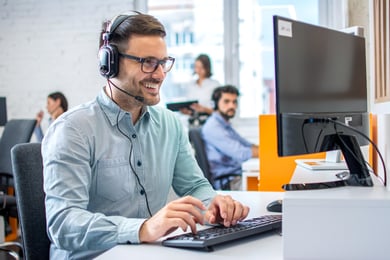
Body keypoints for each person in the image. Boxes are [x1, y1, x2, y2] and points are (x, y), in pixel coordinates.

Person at [42, 11, 249, 259]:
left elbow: (195, 186)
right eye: (148, 62)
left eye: (163, 62)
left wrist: (214, 205)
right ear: (111, 63)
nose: (160, 74)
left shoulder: (170, 124)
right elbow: (63, 222)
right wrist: (143, 228)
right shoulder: (73, 130)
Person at [202, 85, 259, 190]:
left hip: (237, 175)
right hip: (229, 182)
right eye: (226, 101)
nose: (231, 106)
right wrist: (272, 152)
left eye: (234, 102)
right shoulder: (213, 127)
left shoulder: (224, 124)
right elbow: (241, 153)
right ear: (215, 103)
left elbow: (247, 144)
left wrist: (266, 149)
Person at [180, 54, 220, 124]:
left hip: (209, 122)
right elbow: (191, 107)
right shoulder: (191, 85)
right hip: (193, 123)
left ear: (207, 68)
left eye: (201, 67)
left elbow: (220, 112)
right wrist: (187, 111)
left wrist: (204, 109)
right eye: (196, 67)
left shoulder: (215, 85)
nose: (198, 70)